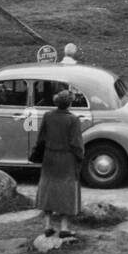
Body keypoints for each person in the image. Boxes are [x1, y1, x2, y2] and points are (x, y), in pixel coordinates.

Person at [36, 89, 84, 238]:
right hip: (67, 159)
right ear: (69, 103)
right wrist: (80, 156)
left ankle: (47, 225)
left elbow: (41, 138)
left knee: (48, 189)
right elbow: (76, 143)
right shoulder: (73, 120)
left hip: (49, 157)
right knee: (66, 191)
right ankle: (64, 228)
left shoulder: (48, 116)